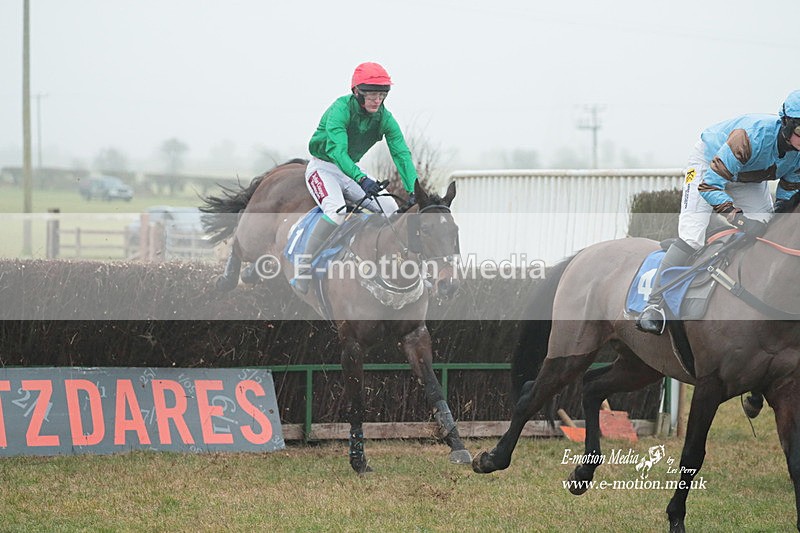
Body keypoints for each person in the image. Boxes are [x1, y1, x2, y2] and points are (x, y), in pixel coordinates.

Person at [637, 90, 800, 334]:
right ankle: (653, 304)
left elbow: (788, 195)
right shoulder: (749, 138)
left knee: (768, 229)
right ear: (786, 124)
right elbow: (710, 185)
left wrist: (777, 219)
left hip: (747, 176)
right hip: (709, 166)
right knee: (692, 236)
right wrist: (740, 220)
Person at [292, 62, 419, 294]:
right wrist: (361, 179)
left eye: (382, 95)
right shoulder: (340, 110)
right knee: (336, 212)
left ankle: (384, 262)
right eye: (371, 95)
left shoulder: (385, 118)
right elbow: (338, 152)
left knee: (391, 208)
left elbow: (401, 153)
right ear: (357, 92)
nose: (377, 100)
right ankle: (303, 267)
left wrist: (414, 189)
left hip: (349, 170)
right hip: (323, 167)